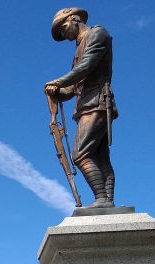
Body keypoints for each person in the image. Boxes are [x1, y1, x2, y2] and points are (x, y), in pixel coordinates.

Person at [44, 8, 118, 208]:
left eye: (63, 28)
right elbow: (75, 86)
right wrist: (58, 92)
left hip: (97, 103)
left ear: (74, 19)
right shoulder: (78, 47)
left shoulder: (97, 33)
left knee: (80, 154)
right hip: (87, 104)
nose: (64, 35)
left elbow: (85, 67)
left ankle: (102, 198)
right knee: (99, 157)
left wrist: (57, 82)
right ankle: (107, 202)